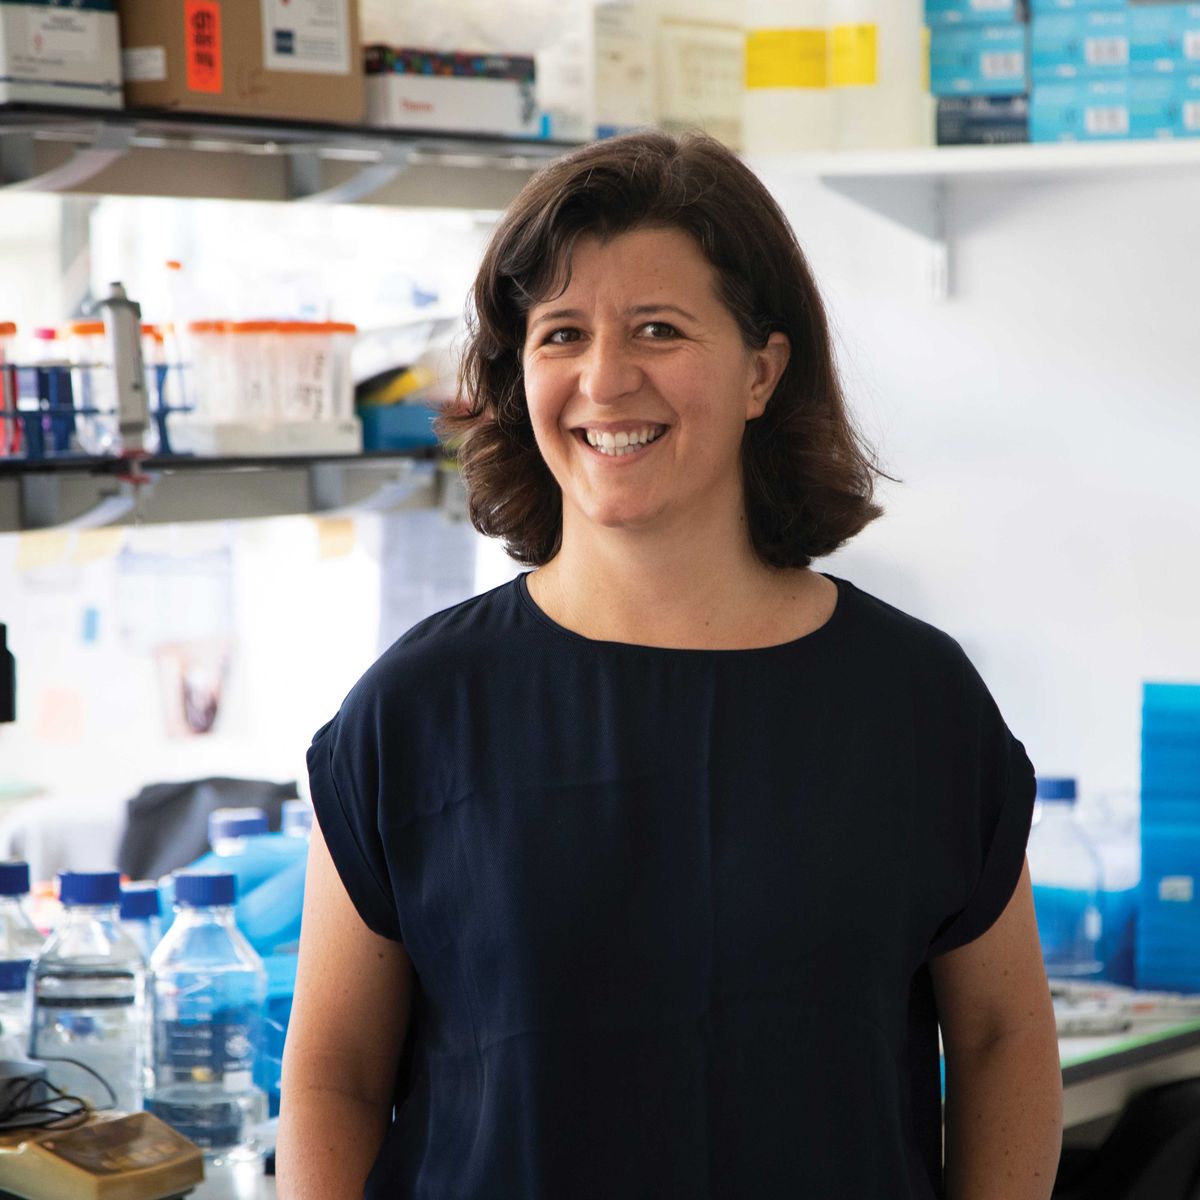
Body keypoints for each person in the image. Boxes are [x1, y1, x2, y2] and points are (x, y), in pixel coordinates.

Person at [277, 130, 1062, 1199]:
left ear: (761, 371)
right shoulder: (415, 711)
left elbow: (1002, 1038)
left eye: (658, 328)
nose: (605, 379)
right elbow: (334, 1079)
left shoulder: (917, 702)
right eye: (561, 334)